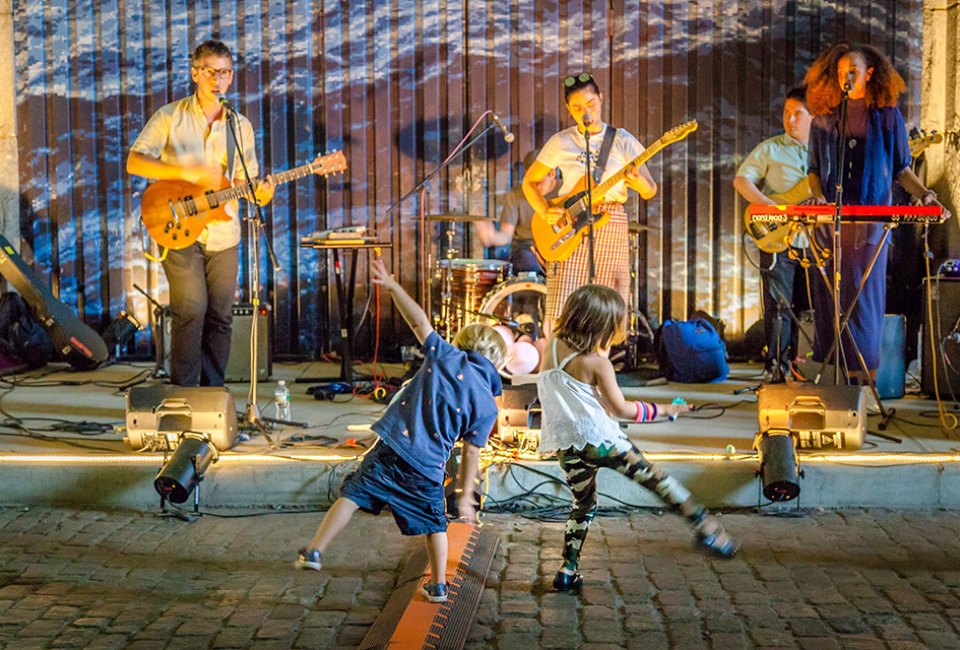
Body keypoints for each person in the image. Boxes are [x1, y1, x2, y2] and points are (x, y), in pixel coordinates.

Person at [294, 258, 508, 605]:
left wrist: (393, 287)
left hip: (394, 449)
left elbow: (419, 321)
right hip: (427, 468)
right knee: (435, 524)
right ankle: (438, 585)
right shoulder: (488, 406)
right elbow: (471, 454)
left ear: (463, 343)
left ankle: (315, 550)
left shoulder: (446, 356)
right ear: (498, 363)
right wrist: (466, 494)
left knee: (353, 495)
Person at [537, 284, 739, 592]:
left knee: (583, 504)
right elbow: (622, 409)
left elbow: (577, 391)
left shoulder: (550, 346)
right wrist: (666, 409)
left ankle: (568, 568)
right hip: (601, 441)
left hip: (568, 446)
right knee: (658, 480)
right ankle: (707, 527)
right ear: (604, 326)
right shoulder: (597, 364)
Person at [127, 40, 275, 387]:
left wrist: (262, 194)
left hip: (223, 233)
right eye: (210, 71)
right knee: (191, 309)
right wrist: (184, 171)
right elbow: (135, 161)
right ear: (195, 73)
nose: (217, 79)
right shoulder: (170, 116)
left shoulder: (240, 127)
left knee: (220, 316)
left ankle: (211, 393)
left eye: (224, 72)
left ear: (231, 77)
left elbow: (246, 183)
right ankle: (183, 391)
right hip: (177, 224)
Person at [803, 44, 950, 383]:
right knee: (829, 300)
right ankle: (831, 378)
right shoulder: (825, 118)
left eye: (852, 71)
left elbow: (902, 168)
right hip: (830, 224)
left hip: (871, 226)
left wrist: (926, 195)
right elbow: (813, 170)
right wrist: (818, 199)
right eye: (840, 73)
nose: (846, 77)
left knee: (864, 302)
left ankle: (864, 385)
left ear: (869, 73)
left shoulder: (887, 117)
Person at [522, 72, 657, 333]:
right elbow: (529, 182)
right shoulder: (561, 141)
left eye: (591, 104)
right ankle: (560, 363)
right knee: (565, 297)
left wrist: (637, 181)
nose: (586, 112)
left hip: (611, 218)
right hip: (572, 222)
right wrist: (545, 210)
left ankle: (598, 361)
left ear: (601, 99)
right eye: (577, 107)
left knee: (609, 301)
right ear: (568, 109)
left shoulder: (623, 140)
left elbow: (650, 189)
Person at [733, 87, 814, 382]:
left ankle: (808, 365)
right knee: (778, 304)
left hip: (817, 241)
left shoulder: (827, 151)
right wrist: (772, 207)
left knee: (814, 306)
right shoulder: (771, 148)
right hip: (777, 238)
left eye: (797, 114)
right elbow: (742, 180)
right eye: (786, 113)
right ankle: (775, 367)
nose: (790, 119)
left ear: (813, 116)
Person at [475, 150, 559, 275]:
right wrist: (492, 237)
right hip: (526, 248)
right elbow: (506, 235)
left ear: (552, 173)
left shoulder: (566, 191)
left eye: (537, 182)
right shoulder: (515, 195)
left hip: (557, 247)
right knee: (526, 260)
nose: (533, 188)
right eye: (528, 182)